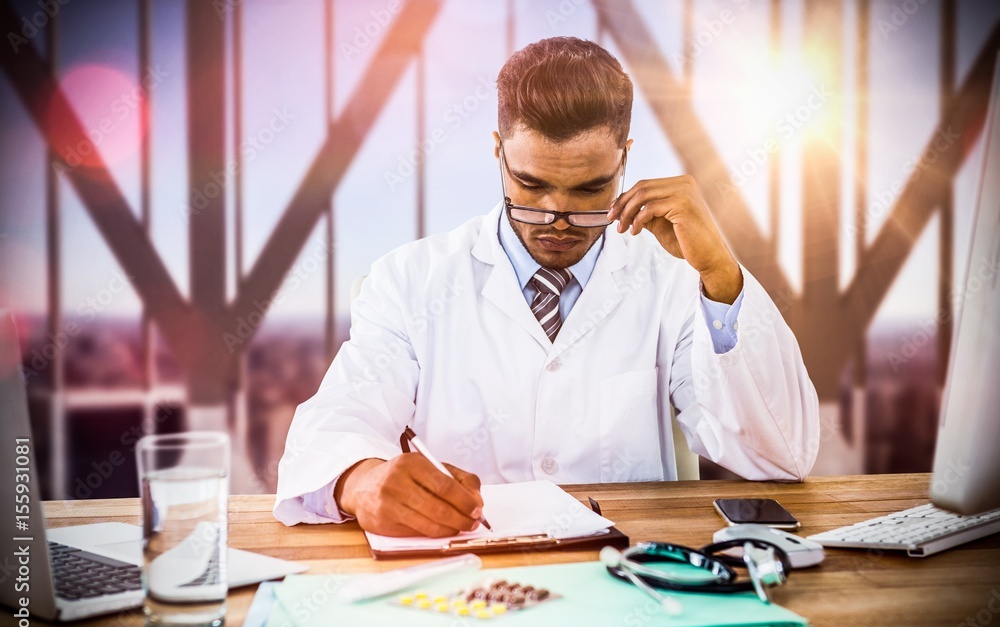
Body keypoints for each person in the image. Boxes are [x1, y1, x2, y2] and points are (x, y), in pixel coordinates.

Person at [274, 37, 819, 537]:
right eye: (531, 185)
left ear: (625, 158)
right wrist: (360, 480)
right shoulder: (410, 281)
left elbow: (782, 457)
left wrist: (721, 276)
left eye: (590, 189)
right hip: (467, 579)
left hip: (630, 579)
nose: (556, 219)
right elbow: (339, 419)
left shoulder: (674, 282)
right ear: (498, 152)